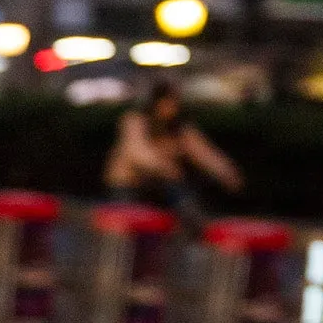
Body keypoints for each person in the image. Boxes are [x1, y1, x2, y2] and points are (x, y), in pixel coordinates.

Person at [103, 81, 241, 220]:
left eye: (174, 102)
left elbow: (205, 154)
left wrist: (227, 173)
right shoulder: (135, 120)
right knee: (128, 223)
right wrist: (164, 167)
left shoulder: (181, 129)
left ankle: (193, 232)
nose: (172, 107)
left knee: (189, 207)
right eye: (167, 102)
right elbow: (137, 151)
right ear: (155, 103)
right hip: (128, 186)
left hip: (161, 185)